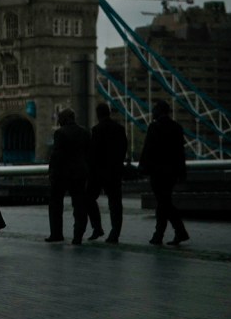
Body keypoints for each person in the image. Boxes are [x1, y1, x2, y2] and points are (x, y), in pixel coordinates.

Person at [139, 99, 189, 246]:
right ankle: (168, 233)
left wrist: (143, 168)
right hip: (172, 172)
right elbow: (180, 152)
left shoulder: (154, 127)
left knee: (163, 202)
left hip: (157, 172)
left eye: (154, 109)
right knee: (164, 202)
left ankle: (169, 233)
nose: (152, 112)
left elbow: (148, 150)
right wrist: (182, 172)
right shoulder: (177, 127)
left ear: (160, 111)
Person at [47, 108, 90, 244]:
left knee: (55, 204)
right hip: (80, 173)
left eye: (59, 119)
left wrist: (51, 171)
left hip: (62, 173)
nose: (58, 121)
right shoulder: (85, 132)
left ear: (64, 119)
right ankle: (78, 236)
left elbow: (56, 155)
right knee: (79, 205)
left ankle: (56, 234)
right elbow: (89, 154)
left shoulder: (60, 133)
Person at [88, 103, 129, 243]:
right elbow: (124, 148)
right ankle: (115, 232)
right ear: (109, 113)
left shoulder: (96, 130)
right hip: (115, 171)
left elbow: (92, 153)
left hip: (98, 172)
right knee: (115, 203)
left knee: (89, 198)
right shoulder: (119, 129)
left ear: (98, 114)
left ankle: (97, 227)